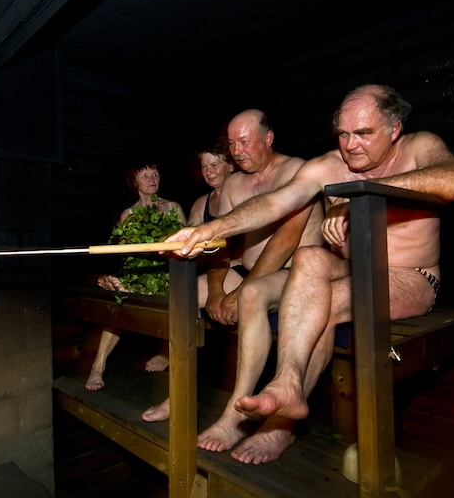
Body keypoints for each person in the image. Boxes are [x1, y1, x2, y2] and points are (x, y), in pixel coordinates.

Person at [167, 84, 454, 463]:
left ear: (394, 129)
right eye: (343, 134)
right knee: (310, 257)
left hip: (411, 276)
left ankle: (281, 426)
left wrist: (361, 193)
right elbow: (275, 202)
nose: (351, 145)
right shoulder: (328, 165)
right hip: (349, 267)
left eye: (364, 133)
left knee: (327, 303)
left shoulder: (418, 147)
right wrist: (208, 230)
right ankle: (288, 384)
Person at [139, 108, 325, 422]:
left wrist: (239, 293)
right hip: (247, 274)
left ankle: (233, 417)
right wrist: (214, 292)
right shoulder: (234, 185)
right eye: (232, 144)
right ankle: (181, 394)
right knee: (185, 292)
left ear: (268, 138)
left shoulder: (298, 172)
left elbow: (286, 240)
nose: (237, 151)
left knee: (251, 293)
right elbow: (219, 245)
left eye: (244, 141)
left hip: (293, 277)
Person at [86, 162, 183, 391]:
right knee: (119, 299)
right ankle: (97, 367)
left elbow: (183, 247)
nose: (152, 179)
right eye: (145, 175)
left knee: (173, 291)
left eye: (155, 174)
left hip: (170, 270)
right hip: (140, 271)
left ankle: (166, 352)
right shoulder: (127, 214)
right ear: (134, 182)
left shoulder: (173, 207)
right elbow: (128, 256)